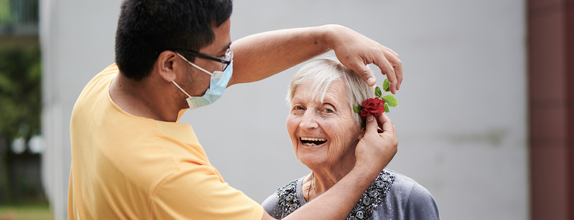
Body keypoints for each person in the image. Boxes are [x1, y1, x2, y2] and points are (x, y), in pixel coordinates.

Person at [68, 0, 403, 219]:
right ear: (169, 64)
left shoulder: (105, 89)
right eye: (220, 55)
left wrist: (329, 36)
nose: (230, 65)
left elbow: (234, 65)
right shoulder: (166, 175)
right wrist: (366, 170)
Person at [261, 58, 439, 220]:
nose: (306, 123)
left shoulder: (407, 201)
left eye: (327, 110)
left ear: (364, 125)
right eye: (299, 108)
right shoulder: (276, 207)